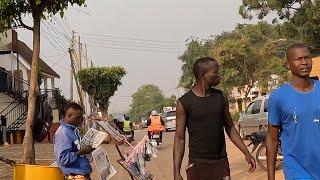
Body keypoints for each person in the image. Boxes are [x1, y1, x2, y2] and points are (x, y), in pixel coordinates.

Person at [173, 57, 256, 180]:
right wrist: (176, 172)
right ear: (203, 75)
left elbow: (230, 128)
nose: (219, 75)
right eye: (215, 72)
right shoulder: (184, 102)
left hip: (220, 162)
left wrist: (246, 153)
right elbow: (179, 138)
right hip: (197, 164)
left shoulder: (220, 97)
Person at [267, 43, 320, 180]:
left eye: (307, 58)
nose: (304, 63)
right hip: (297, 173)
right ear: (288, 64)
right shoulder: (278, 97)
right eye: (298, 59)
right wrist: (270, 177)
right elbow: (272, 140)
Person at [54, 103, 94, 180]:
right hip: (74, 177)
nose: (79, 121)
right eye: (77, 118)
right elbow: (63, 159)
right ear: (69, 115)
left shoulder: (74, 131)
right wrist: (80, 152)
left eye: (81, 118)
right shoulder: (63, 133)